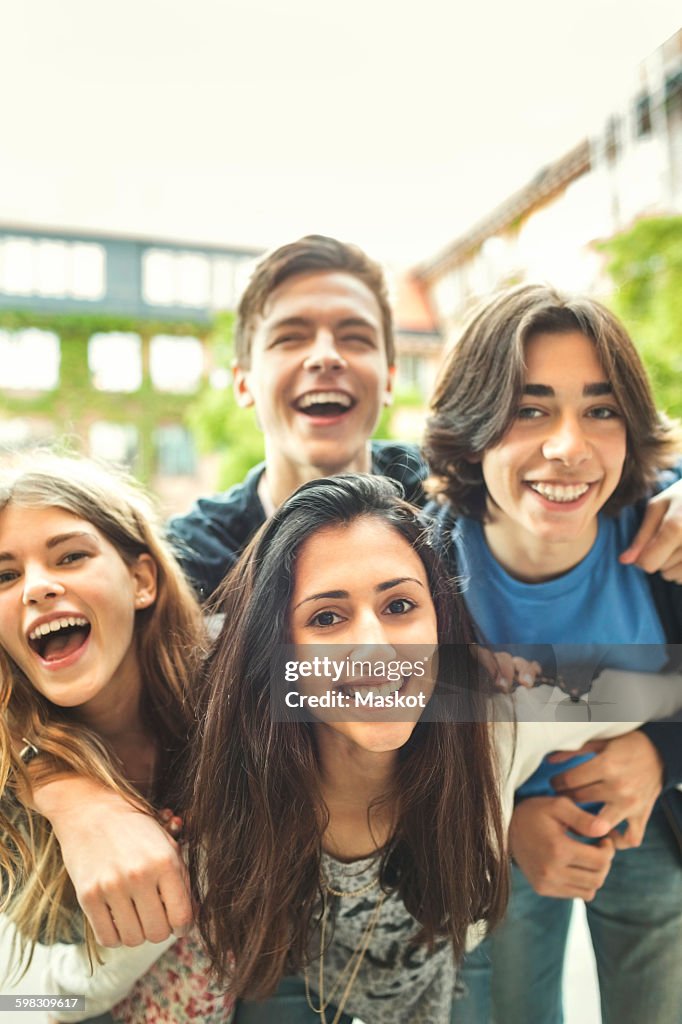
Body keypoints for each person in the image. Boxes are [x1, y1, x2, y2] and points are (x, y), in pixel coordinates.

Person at [27, 235, 682, 944]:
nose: (325, 355)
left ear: (392, 373)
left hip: (460, 894)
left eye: (354, 335)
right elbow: (80, 688)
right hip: (281, 920)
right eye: (291, 335)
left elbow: (585, 486)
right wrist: (69, 793)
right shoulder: (194, 564)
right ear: (242, 378)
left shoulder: (450, 509)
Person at [187, 472, 681, 1024]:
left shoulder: (499, 718)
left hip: (448, 978)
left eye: (399, 606)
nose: (374, 646)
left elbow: (668, 689)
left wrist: (660, 753)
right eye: (327, 617)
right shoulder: (215, 737)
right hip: (281, 972)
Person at [423, 283, 682, 1024]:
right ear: (473, 428)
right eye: (530, 408)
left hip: (651, 823)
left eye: (600, 410)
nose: (569, 446)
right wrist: (501, 826)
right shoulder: (420, 564)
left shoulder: (666, 530)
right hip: (490, 840)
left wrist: (663, 751)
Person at [0, 453, 234, 1024]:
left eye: (71, 556)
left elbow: (392, 680)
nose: (37, 587)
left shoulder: (233, 682)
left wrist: (483, 674)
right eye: (5, 575)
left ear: (141, 580)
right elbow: (14, 1004)